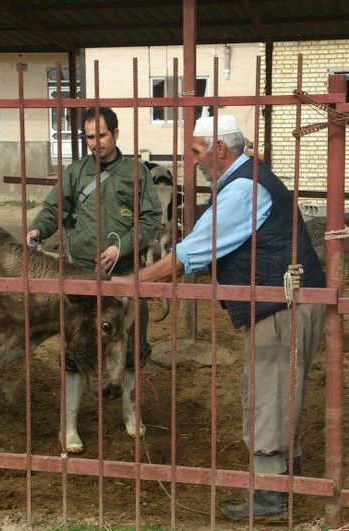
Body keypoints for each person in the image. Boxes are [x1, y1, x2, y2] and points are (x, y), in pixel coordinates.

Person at [115, 115, 325, 520]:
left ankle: (271, 497)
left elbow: (191, 253)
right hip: (282, 305)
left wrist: (131, 283)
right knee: (279, 393)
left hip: (279, 308)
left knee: (267, 396)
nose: (191, 160)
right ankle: (286, 480)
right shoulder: (245, 180)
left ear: (220, 151)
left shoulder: (243, 189)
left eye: (196, 151)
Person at [27, 107, 162, 452]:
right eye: (89, 137)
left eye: (101, 135)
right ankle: (68, 426)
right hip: (82, 281)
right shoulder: (75, 173)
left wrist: (123, 247)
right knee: (76, 350)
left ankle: (131, 413)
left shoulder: (136, 174)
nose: (95, 143)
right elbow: (53, 209)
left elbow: (150, 221)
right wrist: (39, 227)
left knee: (132, 346)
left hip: (126, 276)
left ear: (115, 134)